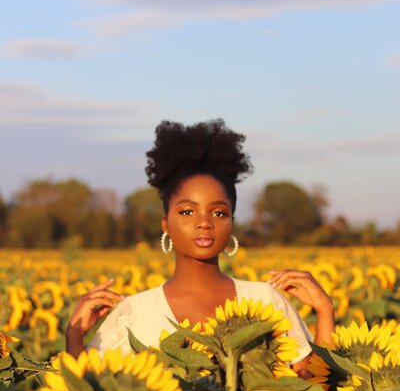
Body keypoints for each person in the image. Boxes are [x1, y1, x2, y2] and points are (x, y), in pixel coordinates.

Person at [66, 119, 334, 377]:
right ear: (166, 224)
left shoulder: (266, 302)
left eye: (218, 213)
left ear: (231, 222)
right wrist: (75, 336)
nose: (204, 222)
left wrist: (324, 310)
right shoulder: (134, 315)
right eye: (187, 212)